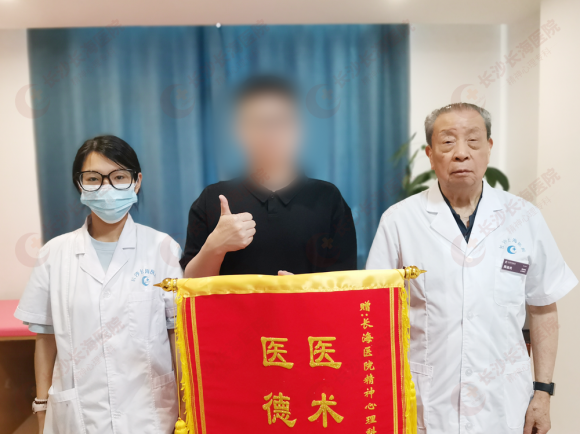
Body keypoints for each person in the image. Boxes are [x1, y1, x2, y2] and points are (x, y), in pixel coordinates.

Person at [366, 103, 577, 434]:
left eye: (473, 141)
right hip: (426, 402)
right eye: (448, 142)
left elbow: (543, 309)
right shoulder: (399, 221)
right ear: (430, 154)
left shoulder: (524, 218)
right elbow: (372, 310)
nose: (461, 153)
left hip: (503, 403)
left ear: (489, 148)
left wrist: (543, 392)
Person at [15, 136, 183, 434]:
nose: (107, 187)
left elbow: (176, 334)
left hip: (149, 413)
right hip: (80, 414)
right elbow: (46, 338)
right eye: (93, 178)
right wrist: (41, 407)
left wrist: (185, 407)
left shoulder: (162, 248)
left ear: (136, 182)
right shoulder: (54, 254)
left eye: (119, 177)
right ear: (80, 184)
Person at [180, 75, 357, 277]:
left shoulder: (328, 199)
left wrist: (303, 291)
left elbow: (346, 284)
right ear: (239, 131)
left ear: (298, 130)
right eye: (258, 123)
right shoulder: (213, 199)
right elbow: (190, 286)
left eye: (281, 122)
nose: (270, 133)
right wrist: (215, 247)